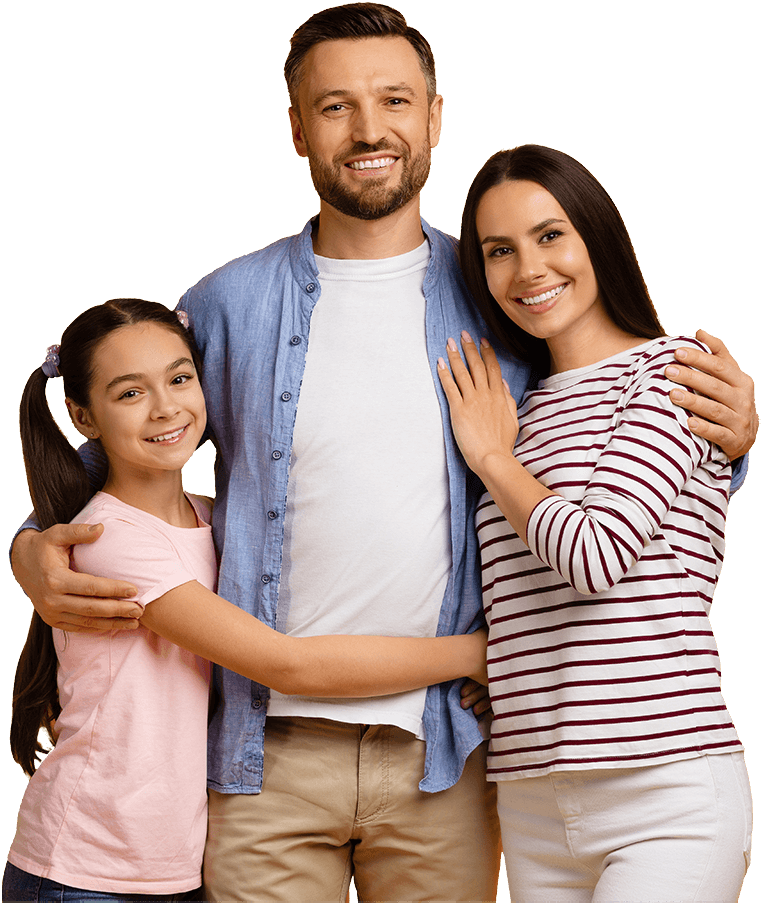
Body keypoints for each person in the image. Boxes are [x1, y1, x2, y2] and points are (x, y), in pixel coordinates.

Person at [9, 7, 757, 903]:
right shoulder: (224, 302)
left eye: (393, 100)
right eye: (335, 107)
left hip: (451, 752)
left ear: (434, 118)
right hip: (264, 751)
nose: (369, 130)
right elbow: (130, 438)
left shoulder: (500, 290)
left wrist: (730, 433)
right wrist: (29, 544)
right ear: (296, 130)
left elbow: (598, 408)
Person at [4, 298, 488, 903]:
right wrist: (475, 654)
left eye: (180, 379)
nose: (165, 408)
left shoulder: (210, 520)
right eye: (130, 394)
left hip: (168, 864)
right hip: (86, 865)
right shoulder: (112, 540)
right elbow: (287, 665)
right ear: (83, 417)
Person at [437, 144, 752, 902]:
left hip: (664, 784)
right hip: (534, 798)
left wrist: (491, 458)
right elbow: (523, 591)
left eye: (551, 236)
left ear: (597, 237)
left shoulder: (673, 372)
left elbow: (596, 553)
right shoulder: (518, 405)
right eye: (499, 252)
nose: (529, 270)